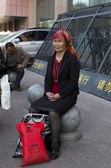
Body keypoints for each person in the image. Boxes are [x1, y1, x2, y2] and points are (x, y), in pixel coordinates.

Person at [29, 29, 80, 160]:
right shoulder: (51, 58)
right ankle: (37, 141)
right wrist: (47, 91)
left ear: (66, 42)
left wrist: (59, 95)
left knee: (53, 113)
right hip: (51, 93)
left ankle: (55, 144)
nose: (57, 44)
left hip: (67, 95)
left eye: (60, 41)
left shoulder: (72, 59)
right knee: (32, 108)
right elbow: (47, 78)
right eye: (55, 41)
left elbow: (73, 83)